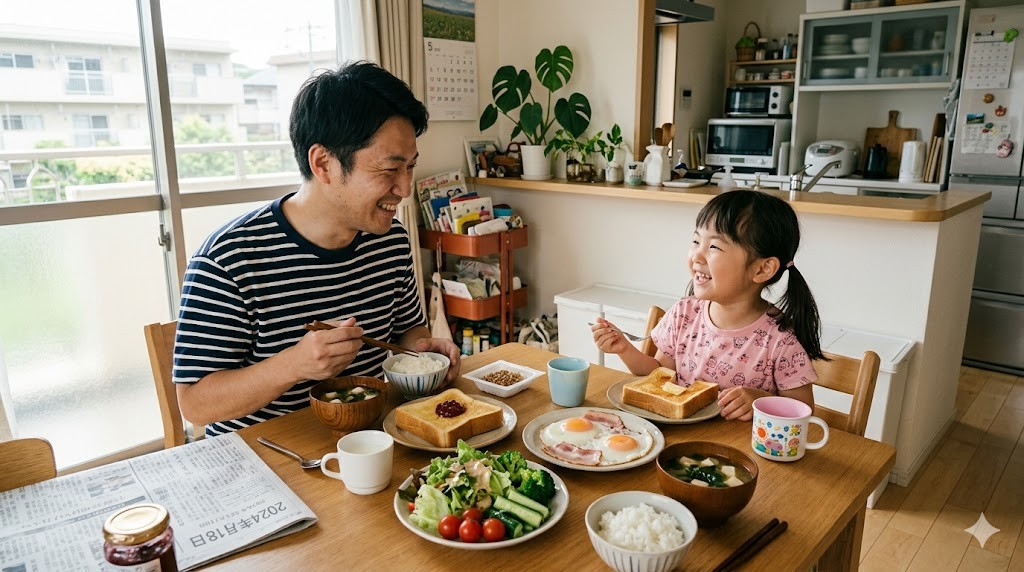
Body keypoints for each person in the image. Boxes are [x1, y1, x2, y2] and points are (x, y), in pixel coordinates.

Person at [173, 61, 461, 436]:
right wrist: (293, 364)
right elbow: (195, 404)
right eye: (390, 170)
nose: (405, 189)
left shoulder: (390, 239)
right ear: (323, 163)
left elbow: (407, 329)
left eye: (410, 167)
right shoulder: (228, 259)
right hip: (265, 460)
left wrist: (423, 351)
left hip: (367, 440)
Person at [592, 190, 824, 421]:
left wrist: (758, 400)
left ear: (762, 269)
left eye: (714, 247)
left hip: (739, 449)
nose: (696, 256)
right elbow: (660, 376)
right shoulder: (684, 314)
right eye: (696, 241)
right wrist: (623, 348)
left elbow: (802, 409)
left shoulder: (780, 339)